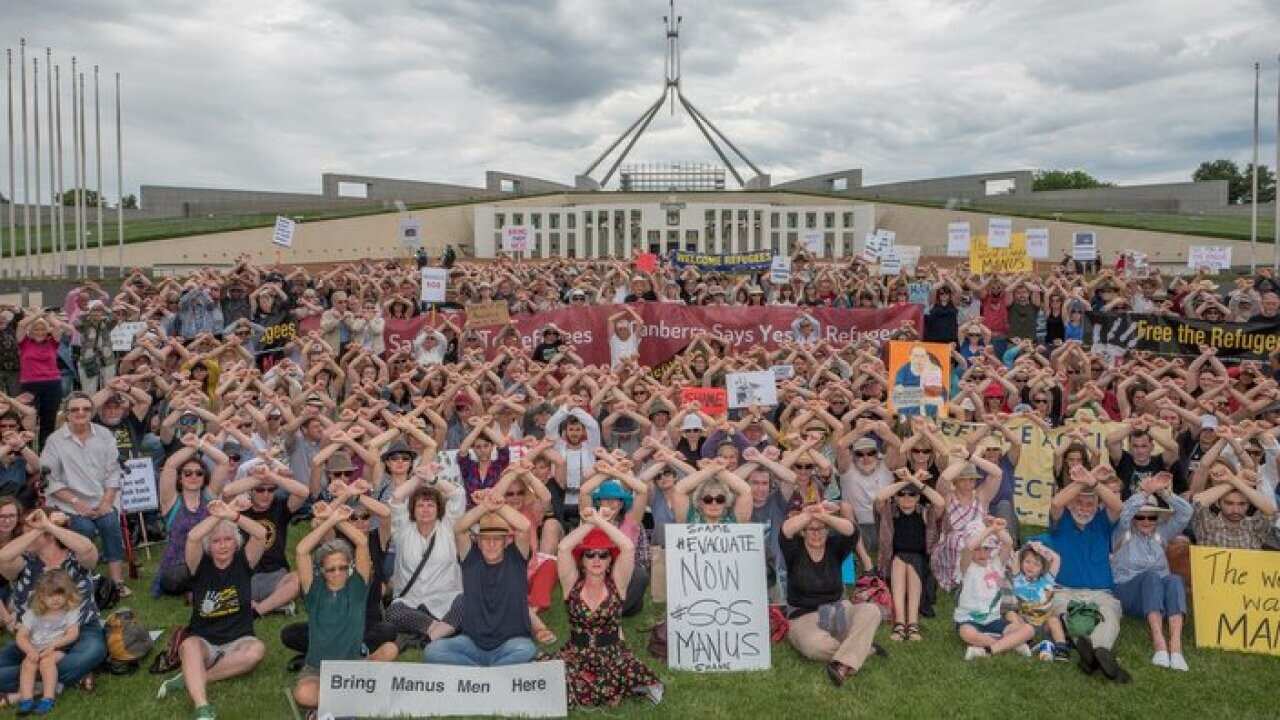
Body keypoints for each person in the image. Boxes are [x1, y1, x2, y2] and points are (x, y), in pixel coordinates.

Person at [156, 499, 269, 720]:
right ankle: (202, 707)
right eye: (216, 541)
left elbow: (261, 534)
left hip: (238, 640)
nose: (223, 545)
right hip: (205, 641)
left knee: (257, 651)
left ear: (236, 543)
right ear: (209, 546)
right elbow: (193, 537)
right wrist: (218, 516)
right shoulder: (199, 563)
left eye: (228, 539)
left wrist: (232, 515)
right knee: (188, 645)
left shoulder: (244, 561)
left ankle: (193, 677)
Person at [290, 500, 394, 712]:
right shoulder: (313, 590)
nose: (337, 573)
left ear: (350, 568)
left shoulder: (357, 587)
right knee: (303, 694)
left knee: (390, 649)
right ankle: (351, 697)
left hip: (353, 667)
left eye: (343, 567)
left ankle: (339, 699)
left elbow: (362, 544)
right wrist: (331, 521)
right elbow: (301, 551)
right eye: (331, 569)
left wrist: (338, 520)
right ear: (321, 571)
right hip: (318, 670)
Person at [555, 506, 662, 707]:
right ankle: (602, 688)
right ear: (582, 560)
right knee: (557, 677)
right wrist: (591, 523)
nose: (596, 559)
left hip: (612, 653)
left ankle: (602, 687)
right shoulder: (571, 583)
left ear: (610, 559)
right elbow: (563, 548)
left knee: (620, 674)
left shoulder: (618, 583)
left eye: (603, 555)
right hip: (577, 652)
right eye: (590, 554)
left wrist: (601, 521)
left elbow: (628, 547)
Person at [0, 509, 105, 701]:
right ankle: (55, 680)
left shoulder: (76, 558)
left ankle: (33, 682)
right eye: (26, 533)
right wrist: (38, 530)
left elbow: (88, 549)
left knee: (91, 653)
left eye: (28, 532)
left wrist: (48, 525)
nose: (25, 538)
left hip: (81, 629)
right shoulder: (23, 565)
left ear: (51, 534)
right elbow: (2, 557)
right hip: (36, 638)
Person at [423, 490, 535, 667]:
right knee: (433, 651)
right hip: (472, 643)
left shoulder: (516, 558)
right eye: (486, 539)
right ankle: (487, 673)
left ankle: (479, 673)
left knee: (526, 649)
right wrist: (484, 507)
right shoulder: (471, 558)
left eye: (497, 539)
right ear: (478, 541)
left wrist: (499, 505)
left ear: (506, 541)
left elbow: (525, 527)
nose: (491, 544)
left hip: (510, 643)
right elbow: (459, 529)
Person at [779, 502, 884, 687]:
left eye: (821, 529)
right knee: (814, 647)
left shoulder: (835, 547)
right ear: (803, 532)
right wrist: (811, 513)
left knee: (872, 611)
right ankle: (863, 648)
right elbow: (786, 530)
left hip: (838, 609)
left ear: (828, 531)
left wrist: (825, 516)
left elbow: (852, 531)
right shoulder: (794, 550)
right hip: (803, 616)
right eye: (810, 529)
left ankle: (842, 662)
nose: (816, 533)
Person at [39, 391, 129, 598]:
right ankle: (84, 578)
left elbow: (114, 470)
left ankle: (117, 582)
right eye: (75, 409)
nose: (81, 413)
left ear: (92, 411)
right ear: (67, 414)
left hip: (102, 500)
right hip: (69, 503)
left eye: (86, 409)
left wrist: (107, 501)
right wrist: (77, 503)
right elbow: (50, 480)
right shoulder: (55, 441)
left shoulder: (104, 435)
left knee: (110, 525)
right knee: (83, 528)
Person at [1048, 465, 1128, 684]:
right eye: (1079, 502)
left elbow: (1118, 506)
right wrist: (1083, 481)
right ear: (1072, 503)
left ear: (1097, 506)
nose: (1084, 508)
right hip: (1065, 590)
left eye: (1090, 503)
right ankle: (1092, 651)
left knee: (1109, 614)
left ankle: (1099, 650)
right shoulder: (1061, 522)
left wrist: (1093, 482)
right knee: (1065, 612)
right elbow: (1056, 502)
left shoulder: (1103, 522)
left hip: (1100, 591)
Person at [1111, 472, 1192, 671]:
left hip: (1158, 591)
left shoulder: (1161, 533)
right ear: (1135, 518)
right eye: (1141, 516)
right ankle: (1159, 643)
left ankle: (1176, 647)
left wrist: (1163, 493)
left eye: (1151, 517)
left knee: (1174, 579)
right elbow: (1124, 512)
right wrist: (1144, 493)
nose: (1146, 521)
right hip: (1128, 592)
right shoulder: (1123, 531)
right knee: (1151, 576)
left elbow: (1186, 513)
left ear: (1157, 518)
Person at [875, 469, 942, 641]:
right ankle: (900, 622)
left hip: (921, 567)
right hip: (893, 565)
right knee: (899, 561)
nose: (907, 498)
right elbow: (880, 497)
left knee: (911, 561)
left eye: (912, 494)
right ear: (896, 497)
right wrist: (906, 481)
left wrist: (913, 480)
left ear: (918, 496)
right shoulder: (889, 512)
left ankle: (911, 623)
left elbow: (940, 502)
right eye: (902, 494)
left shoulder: (926, 512)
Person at [954, 518, 1033, 660]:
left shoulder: (996, 563)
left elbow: (1008, 543)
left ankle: (987, 649)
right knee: (966, 633)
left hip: (993, 620)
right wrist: (989, 530)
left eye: (986, 548)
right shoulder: (967, 567)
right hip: (969, 620)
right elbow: (969, 547)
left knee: (1028, 629)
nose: (982, 553)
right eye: (978, 549)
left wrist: (996, 528)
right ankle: (1010, 644)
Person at [15, 570, 81, 715]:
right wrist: (30, 650)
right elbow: (21, 636)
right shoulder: (33, 614)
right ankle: (27, 699)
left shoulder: (69, 611)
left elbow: (73, 633)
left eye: (60, 594)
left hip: (60, 648)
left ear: (67, 594)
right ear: (41, 597)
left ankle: (48, 698)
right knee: (27, 663)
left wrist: (53, 645)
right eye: (50, 595)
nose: (55, 599)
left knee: (46, 661)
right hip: (36, 648)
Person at [1010, 541, 1067, 662]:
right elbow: (1016, 555)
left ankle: (1061, 648)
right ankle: (1027, 642)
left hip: (1044, 623)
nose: (1030, 566)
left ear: (1042, 568)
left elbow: (1057, 558)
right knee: (1012, 615)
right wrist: (1029, 545)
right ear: (1021, 562)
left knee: (1054, 620)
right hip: (1025, 623)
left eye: (1036, 564)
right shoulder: (1018, 578)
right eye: (1027, 562)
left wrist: (1042, 549)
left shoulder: (1047, 580)